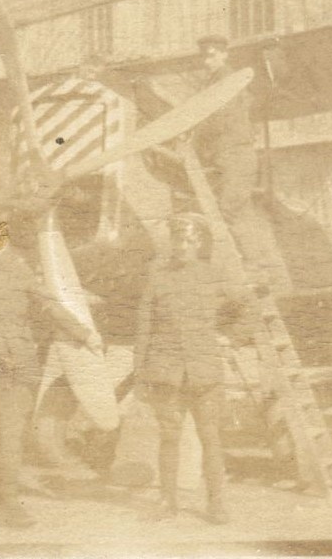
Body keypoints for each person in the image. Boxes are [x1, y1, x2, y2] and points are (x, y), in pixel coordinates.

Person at [0, 213, 101, 528]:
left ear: (5, 243)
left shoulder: (21, 274)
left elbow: (50, 306)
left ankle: (7, 504)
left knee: (10, 437)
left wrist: (85, 334)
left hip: (18, 365)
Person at [135, 212, 245, 525]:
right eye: (178, 239)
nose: (183, 246)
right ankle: (167, 501)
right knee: (169, 438)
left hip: (204, 373)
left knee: (210, 438)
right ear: (171, 242)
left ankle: (216, 504)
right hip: (166, 372)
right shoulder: (157, 277)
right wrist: (141, 373)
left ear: (199, 244)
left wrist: (232, 338)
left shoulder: (215, 274)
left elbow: (247, 306)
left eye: (189, 240)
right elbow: (143, 327)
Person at [190, 34, 271, 286]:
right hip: (227, 157)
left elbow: (216, 119)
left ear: (224, 54)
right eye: (204, 56)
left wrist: (192, 135)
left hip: (236, 155)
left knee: (230, 209)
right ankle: (256, 265)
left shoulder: (227, 81)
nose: (207, 61)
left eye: (212, 55)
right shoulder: (215, 81)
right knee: (240, 211)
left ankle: (253, 269)